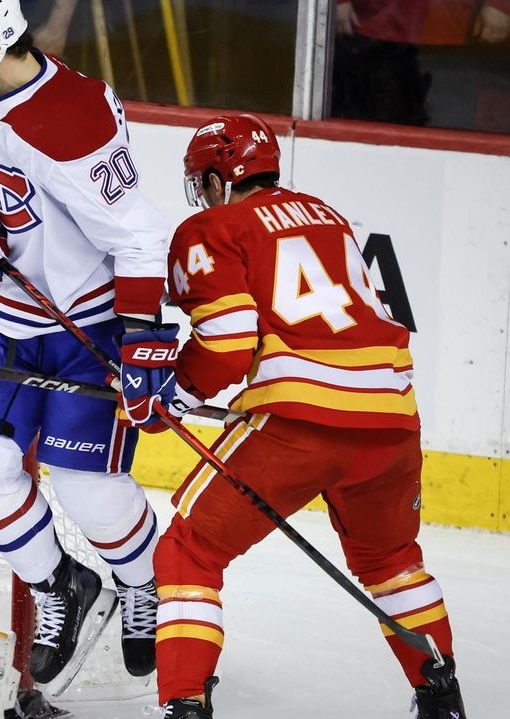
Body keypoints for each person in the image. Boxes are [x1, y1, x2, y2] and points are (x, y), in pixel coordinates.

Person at [135, 114, 465, 718]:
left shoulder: (212, 225)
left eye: (202, 181)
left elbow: (229, 340)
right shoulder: (326, 214)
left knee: (188, 550)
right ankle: (441, 697)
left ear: (216, 179)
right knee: (392, 561)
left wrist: (178, 392)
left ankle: (183, 706)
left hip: (298, 424)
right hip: (391, 421)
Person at [0, 0, 172, 694]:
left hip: (86, 329)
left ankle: (146, 583)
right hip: (7, 323)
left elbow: (140, 235)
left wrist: (145, 337)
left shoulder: (73, 118)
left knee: (90, 491)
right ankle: (61, 583)